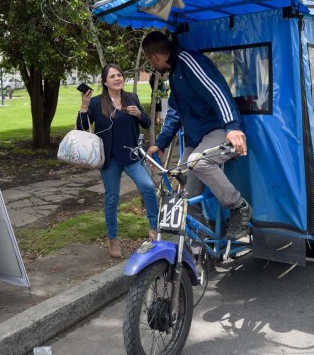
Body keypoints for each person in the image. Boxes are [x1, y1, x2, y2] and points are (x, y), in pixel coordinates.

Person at [143, 31, 252, 240]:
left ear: (154, 57)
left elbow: (217, 92)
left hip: (219, 130)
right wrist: (161, 143)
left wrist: (232, 126)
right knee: (184, 193)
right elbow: (175, 112)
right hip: (198, 138)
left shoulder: (189, 61)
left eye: (149, 61)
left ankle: (239, 206)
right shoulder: (174, 73)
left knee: (198, 162)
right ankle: (203, 241)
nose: (151, 64)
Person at [77, 63, 159, 258]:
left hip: (131, 156)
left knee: (148, 186)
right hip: (109, 159)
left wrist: (139, 114)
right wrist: (84, 106)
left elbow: (146, 123)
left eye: (119, 75)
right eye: (112, 76)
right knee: (112, 198)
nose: (117, 79)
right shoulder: (97, 103)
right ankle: (112, 239)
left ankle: (154, 230)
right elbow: (81, 128)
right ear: (105, 81)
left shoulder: (132, 98)